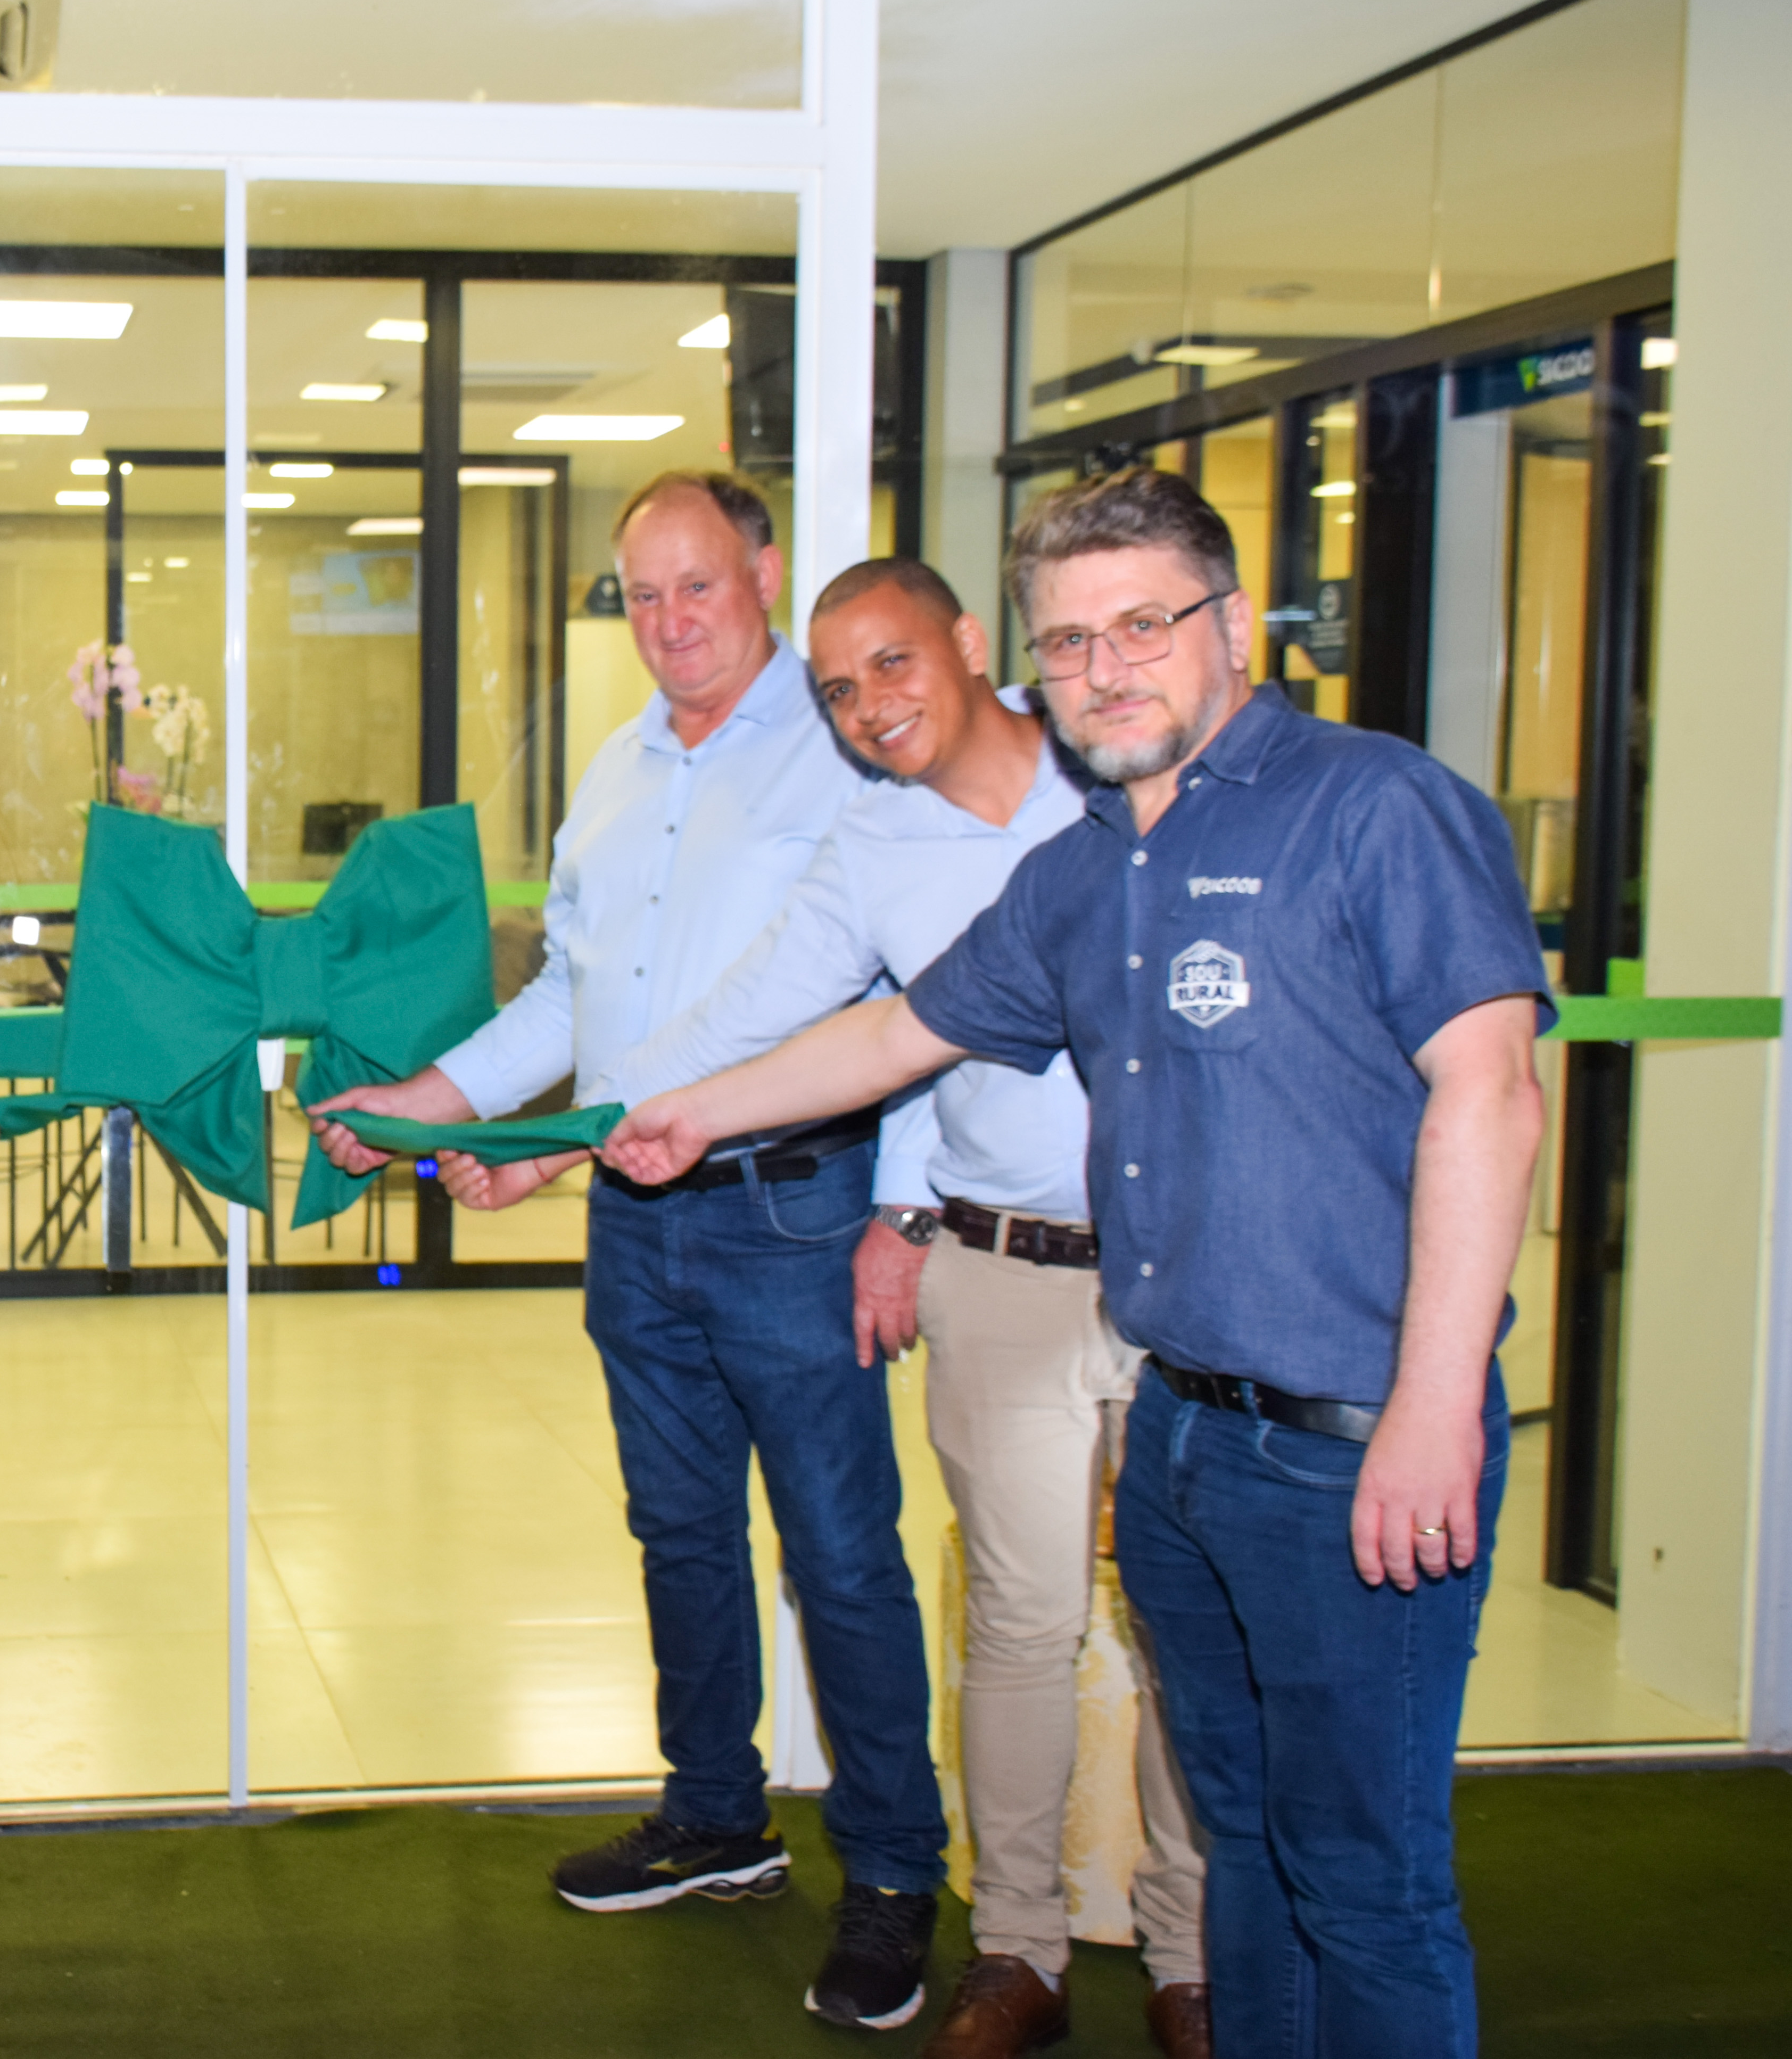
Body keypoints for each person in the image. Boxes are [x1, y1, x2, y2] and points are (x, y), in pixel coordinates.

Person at [603, 467, 1547, 2059]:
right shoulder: (1092, 867)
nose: (1105, 670)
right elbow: (898, 1033)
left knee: (1363, 1879)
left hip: (1353, 1439)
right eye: (1072, 642)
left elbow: (1493, 1093)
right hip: (1186, 1429)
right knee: (1248, 1851)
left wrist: (1435, 1406)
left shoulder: (1376, 806)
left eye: (1143, 626)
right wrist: (679, 1116)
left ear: (1233, 625)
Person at [309, 472, 951, 2033]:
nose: (670, 622)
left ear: (765, 573)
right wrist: (432, 1106)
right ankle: (717, 1816)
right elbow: (571, 999)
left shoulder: (848, 749)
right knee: (678, 1531)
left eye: (698, 585)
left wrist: (904, 1214)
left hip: (797, 1212)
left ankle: (892, 1873)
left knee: (841, 1552)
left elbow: (916, 999)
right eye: (644, 594)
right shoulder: (614, 768)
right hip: (639, 1216)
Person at [597, 556, 1208, 2059]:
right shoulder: (875, 843)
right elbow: (775, 1011)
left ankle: (1194, 1957)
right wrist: (592, 1124)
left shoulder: (1123, 779)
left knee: (1190, 1626)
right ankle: (1017, 1951)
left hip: (1188, 1271)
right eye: (837, 689)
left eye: (892, 662)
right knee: (1017, 1629)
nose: (869, 705)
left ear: (973, 644)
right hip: (1005, 1272)